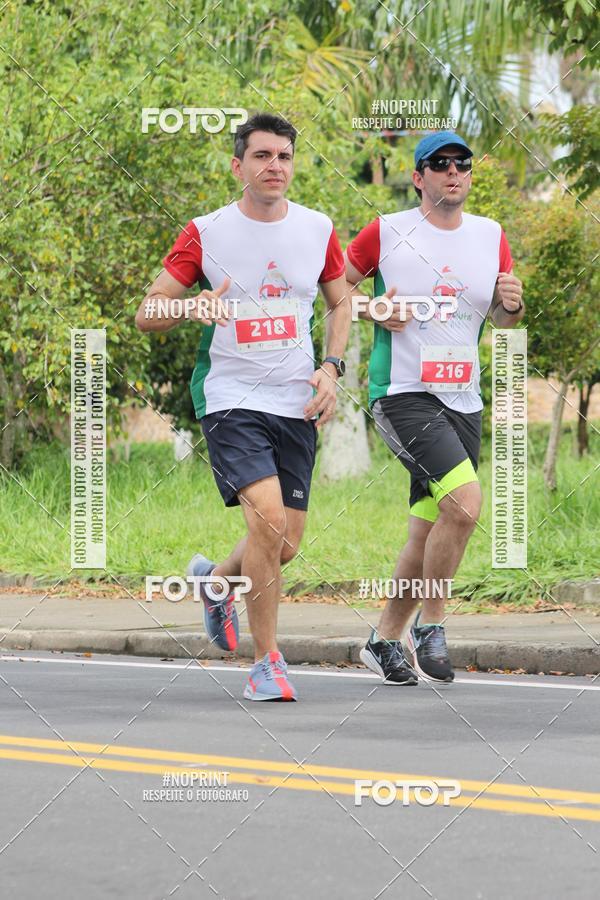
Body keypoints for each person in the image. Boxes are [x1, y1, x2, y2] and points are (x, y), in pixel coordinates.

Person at [136, 113, 350, 701]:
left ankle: (214, 581)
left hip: (295, 400)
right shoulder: (207, 231)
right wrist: (190, 308)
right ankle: (267, 663)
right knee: (268, 521)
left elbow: (341, 304)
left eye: (283, 156)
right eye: (261, 156)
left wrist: (332, 368)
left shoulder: (317, 228)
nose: (274, 166)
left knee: (284, 544)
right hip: (230, 396)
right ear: (239, 165)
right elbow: (146, 312)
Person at [344, 131, 523, 685]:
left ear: (470, 175)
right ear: (418, 177)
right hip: (402, 394)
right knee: (466, 506)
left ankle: (382, 640)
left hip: (463, 398)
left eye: (462, 164)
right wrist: (373, 307)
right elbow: (330, 293)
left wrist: (510, 306)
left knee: (428, 532)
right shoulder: (387, 231)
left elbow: (503, 318)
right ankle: (432, 624)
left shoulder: (491, 236)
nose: (453, 172)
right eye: (439, 164)